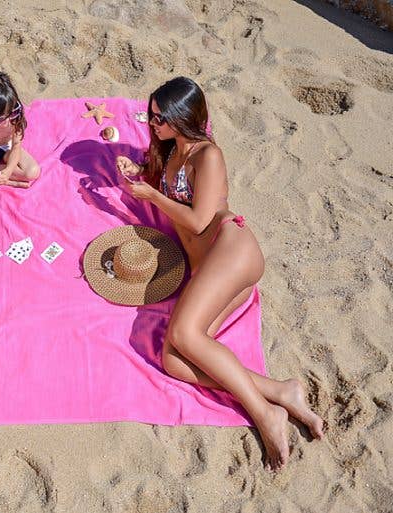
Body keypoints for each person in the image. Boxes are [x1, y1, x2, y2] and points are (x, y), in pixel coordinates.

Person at [116, 77, 324, 471]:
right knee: (173, 360)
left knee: (183, 334)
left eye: (160, 118)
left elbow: (198, 221)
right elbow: (161, 179)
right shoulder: (170, 150)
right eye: (151, 116)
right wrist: (138, 170)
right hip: (209, 269)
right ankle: (282, 391)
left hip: (230, 251)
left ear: (182, 117)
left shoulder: (208, 155)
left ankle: (265, 413)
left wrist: (153, 196)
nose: (153, 123)